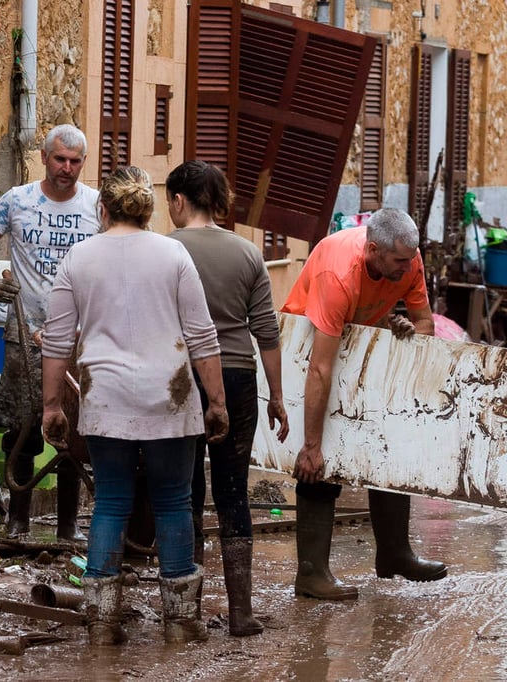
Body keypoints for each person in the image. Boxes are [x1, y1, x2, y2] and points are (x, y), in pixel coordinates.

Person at [41, 165, 229, 646]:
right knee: (173, 502)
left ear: (102, 209)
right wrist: (217, 402)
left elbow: (57, 342)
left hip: (106, 400)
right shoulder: (174, 255)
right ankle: (181, 623)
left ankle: (102, 624)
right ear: (146, 208)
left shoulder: (78, 259)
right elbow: (202, 336)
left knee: (110, 502)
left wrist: (51, 407)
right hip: (171, 396)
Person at [281, 207, 447, 600]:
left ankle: (394, 554)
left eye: (411, 260)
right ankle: (311, 573)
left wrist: (408, 328)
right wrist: (310, 445)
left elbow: (425, 325)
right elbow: (320, 369)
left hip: (361, 347)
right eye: (399, 263)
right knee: (319, 458)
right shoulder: (338, 273)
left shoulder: (409, 256)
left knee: (386, 448)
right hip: (308, 347)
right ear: (373, 250)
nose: (408, 269)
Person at [166, 160, 289, 637]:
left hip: (181, 379)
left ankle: (189, 613)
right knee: (233, 492)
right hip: (237, 380)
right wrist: (276, 395)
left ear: (178, 200)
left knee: (184, 491)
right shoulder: (248, 253)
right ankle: (241, 613)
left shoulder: (165, 249)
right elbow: (267, 332)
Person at [0, 124, 100, 541]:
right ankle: (18, 520)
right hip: (26, 333)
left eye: (76, 162)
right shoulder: (18, 201)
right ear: (43, 157)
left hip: (81, 339)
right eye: (60, 159)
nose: (67, 168)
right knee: (21, 427)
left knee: (73, 434)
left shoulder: (98, 206)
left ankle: (67, 527)